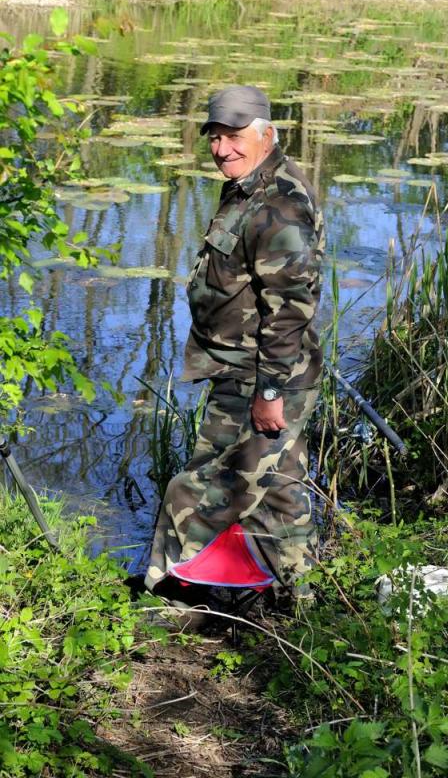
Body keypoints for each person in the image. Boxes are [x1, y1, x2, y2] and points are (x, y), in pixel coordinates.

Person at [144, 85, 325, 607]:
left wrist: (269, 393)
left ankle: (167, 600)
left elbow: (290, 309)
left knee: (198, 491)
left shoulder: (280, 206)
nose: (222, 149)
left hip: (262, 378)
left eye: (234, 136)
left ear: (268, 134)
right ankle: (300, 601)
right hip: (243, 371)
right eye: (215, 137)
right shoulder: (250, 185)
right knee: (281, 491)